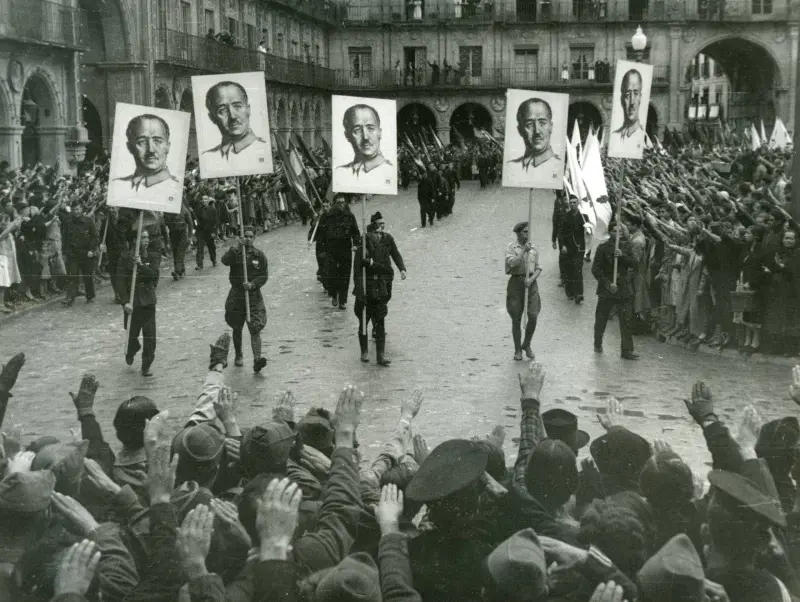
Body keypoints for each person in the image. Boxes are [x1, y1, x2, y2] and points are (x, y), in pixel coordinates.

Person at [353, 212, 406, 365]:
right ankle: (364, 351)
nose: (382, 227)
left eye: (383, 224)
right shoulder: (363, 244)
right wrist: (360, 293)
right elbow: (357, 272)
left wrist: (401, 268)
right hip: (366, 288)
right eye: (379, 225)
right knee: (364, 321)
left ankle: (380, 356)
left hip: (381, 285)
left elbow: (394, 254)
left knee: (381, 319)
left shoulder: (388, 239)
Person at [221, 225, 269, 373]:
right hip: (237, 295)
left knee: (255, 327)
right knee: (237, 327)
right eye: (245, 236)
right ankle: (238, 355)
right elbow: (224, 261)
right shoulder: (235, 253)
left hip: (253, 296)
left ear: (254, 238)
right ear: (241, 237)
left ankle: (257, 359)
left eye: (250, 236)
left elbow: (264, 275)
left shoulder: (259, 255)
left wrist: (253, 284)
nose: (248, 239)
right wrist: (236, 246)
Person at [592, 220, 639, 359]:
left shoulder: (626, 247)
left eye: (619, 231)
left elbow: (635, 264)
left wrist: (622, 257)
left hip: (622, 289)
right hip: (607, 290)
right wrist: (607, 284)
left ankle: (627, 350)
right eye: (614, 231)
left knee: (626, 321)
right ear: (609, 232)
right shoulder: (602, 248)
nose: (617, 234)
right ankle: (598, 342)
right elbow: (596, 270)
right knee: (601, 318)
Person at [117, 228, 160, 376]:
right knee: (131, 334)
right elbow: (120, 281)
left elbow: (154, 276)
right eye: (142, 237)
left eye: (147, 237)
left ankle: (146, 365)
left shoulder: (153, 255)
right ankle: (131, 349)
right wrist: (124, 302)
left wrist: (141, 265)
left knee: (150, 336)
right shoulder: (125, 257)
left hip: (148, 301)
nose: (146, 240)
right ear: (135, 240)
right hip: (132, 303)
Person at [109, 114, 181, 202]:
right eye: (142, 142)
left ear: (167, 146)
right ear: (130, 147)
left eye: (157, 141)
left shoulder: (177, 190)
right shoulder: (115, 187)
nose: (151, 150)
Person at [202, 81, 270, 169]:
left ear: (248, 110)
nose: (233, 116)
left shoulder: (266, 152)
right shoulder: (207, 158)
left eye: (237, 106)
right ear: (212, 118)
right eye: (222, 110)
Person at [505, 221, 542, 361]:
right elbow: (511, 263)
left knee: (533, 315)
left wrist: (531, 279)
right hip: (516, 283)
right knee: (516, 317)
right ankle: (517, 350)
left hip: (531, 284)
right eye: (524, 232)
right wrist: (523, 252)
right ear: (518, 233)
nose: (527, 234)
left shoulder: (534, 248)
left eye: (528, 232)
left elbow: (538, 268)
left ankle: (526, 344)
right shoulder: (511, 248)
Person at [335, 104, 395, 189]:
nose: (365, 137)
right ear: (347, 135)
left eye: (370, 128)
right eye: (357, 130)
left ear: (380, 132)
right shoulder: (339, 173)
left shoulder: (391, 171)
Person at [505, 98, 561, 184]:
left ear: (551, 127)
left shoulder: (560, 167)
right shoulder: (509, 168)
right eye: (530, 124)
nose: (537, 131)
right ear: (520, 130)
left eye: (542, 123)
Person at [319, 193, 360, 309]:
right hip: (331, 249)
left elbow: (356, 232)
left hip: (345, 248)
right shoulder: (327, 217)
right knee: (331, 274)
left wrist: (356, 244)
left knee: (345, 275)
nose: (341, 205)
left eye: (343, 202)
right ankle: (333, 295)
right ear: (334, 204)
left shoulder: (349, 216)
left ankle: (342, 300)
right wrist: (321, 250)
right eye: (339, 203)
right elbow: (321, 235)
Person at [61, 202, 98, 307]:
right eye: (74, 210)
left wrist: (92, 250)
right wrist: (65, 252)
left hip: (86, 253)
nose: (76, 212)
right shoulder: (67, 222)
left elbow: (94, 236)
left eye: (77, 209)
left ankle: (90, 296)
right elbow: (65, 238)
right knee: (72, 276)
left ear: (81, 209)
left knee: (88, 276)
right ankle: (69, 298)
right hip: (73, 254)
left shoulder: (88, 221)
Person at [558, 195, 588, 304]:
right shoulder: (565, 217)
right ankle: (570, 292)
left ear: (578, 203)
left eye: (574, 202)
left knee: (577, 269)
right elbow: (560, 233)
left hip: (579, 248)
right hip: (568, 247)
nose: (572, 204)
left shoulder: (584, 217)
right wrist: (562, 245)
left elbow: (589, 231)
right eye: (571, 202)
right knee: (569, 270)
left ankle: (579, 294)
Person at [610, 69, 644, 149]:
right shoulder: (615, 137)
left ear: (640, 98)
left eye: (636, 94)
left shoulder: (644, 136)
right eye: (627, 94)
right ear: (622, 100)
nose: (632, 102)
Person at [164, 201, 194, 281]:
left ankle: (177, 271)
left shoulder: (184, 209)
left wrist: (190, 236)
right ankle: (181, 270)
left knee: (180, 252)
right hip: (173, 233)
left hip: (182, 233)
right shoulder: (168, 209)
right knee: (175, 252)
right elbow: (165, 223)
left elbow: (190, 223)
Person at [194, 195, 218, 270]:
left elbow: (216, 222)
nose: (204, 200)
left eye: (205, 199)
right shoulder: (198, 210)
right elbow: (195, 220)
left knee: (211, 247)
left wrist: (214, 232)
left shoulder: (213, 210)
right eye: (203, 199)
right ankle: (199, 264)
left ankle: (214, 260)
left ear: (208, 200)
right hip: (201, 231)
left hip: (210, 231)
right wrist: (196, 229)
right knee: (200, 248)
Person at [417, 163, 438, 227]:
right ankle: (423, 224)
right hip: (423, 200)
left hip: (429, 199)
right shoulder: (420, 182)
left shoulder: (429, 181)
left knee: (430, 212)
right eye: (423, 175)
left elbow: (432, 190)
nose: (424, 175)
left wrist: (432, 198)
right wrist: (419, 199)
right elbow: (419, 191)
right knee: (422, 213)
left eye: (425, 174)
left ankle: (431, 220)